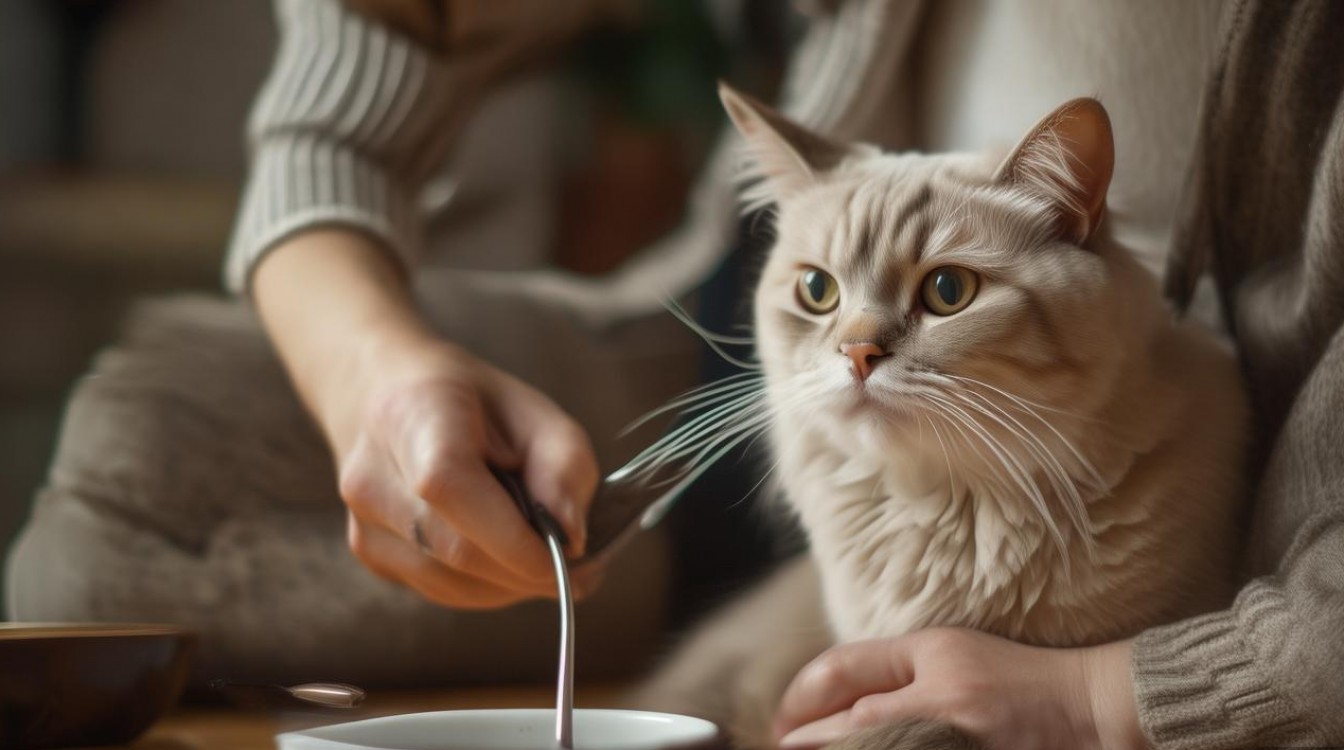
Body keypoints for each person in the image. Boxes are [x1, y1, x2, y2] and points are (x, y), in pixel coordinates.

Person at [8, 0, 1341, 747]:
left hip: (1088, 416)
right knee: (130, 477)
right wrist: (378, 376)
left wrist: (1096, 699)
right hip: (740, 388)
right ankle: (647, 598)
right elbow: (347, 88)